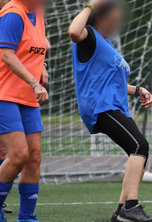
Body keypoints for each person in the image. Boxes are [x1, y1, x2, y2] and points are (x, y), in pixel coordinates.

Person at [68, 1, 152, 221]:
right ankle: (131, 207)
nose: (117, 23)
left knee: (138, 153)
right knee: (139, 146)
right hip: (100, 107)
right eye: (114, 20)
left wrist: (138, 91)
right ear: (100, 17)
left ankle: (120, 212)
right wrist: (91, 4)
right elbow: (73, 31)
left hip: (114, 105)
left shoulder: (105, 43)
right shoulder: (89, 36)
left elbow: (110, 82)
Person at [0, 0, 50, 220]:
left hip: (26, 96)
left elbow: (31, 48)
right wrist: (33, 81)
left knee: (34, 156)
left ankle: (27, 218)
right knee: (19, 154)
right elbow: (7, 54)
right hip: (4, 94)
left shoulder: (37, 13)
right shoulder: (12, 14)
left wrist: (43, 67)